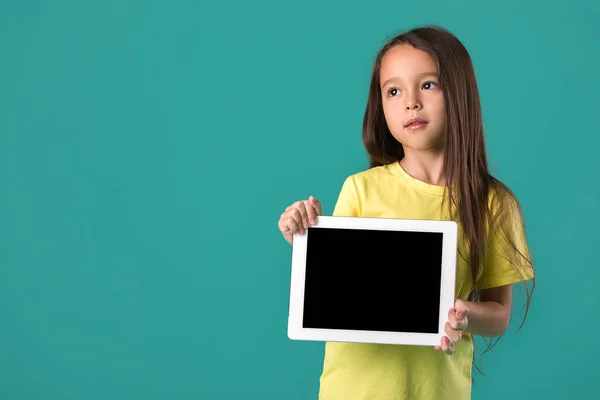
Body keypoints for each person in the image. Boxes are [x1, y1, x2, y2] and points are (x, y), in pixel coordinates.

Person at [277, 25, 536, 399]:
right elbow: (333, 289)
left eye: (428, 85)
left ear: (460, 91)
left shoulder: (494, 203)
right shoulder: (361, 189)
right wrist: (304, 236)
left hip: (438, 391)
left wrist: (464, 314)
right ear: (380, 106)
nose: (410, 102)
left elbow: (499, 315)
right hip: (354, 390)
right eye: (393, 91)